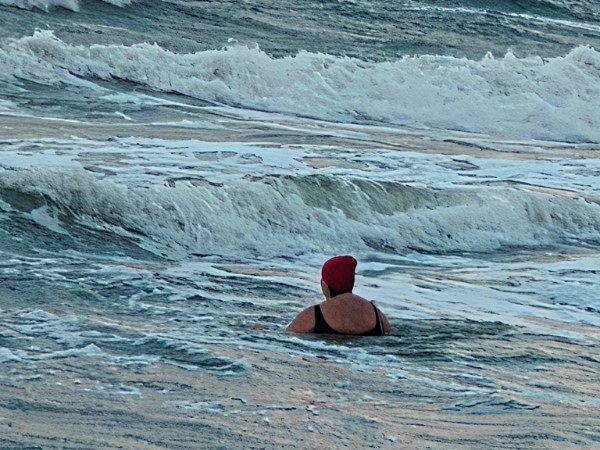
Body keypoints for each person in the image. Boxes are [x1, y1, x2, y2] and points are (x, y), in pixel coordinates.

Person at [286, 255, 391, 336]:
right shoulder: (375, 313)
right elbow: (389, 332)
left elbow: (289, 334)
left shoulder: (314, 314)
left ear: (325, 285)